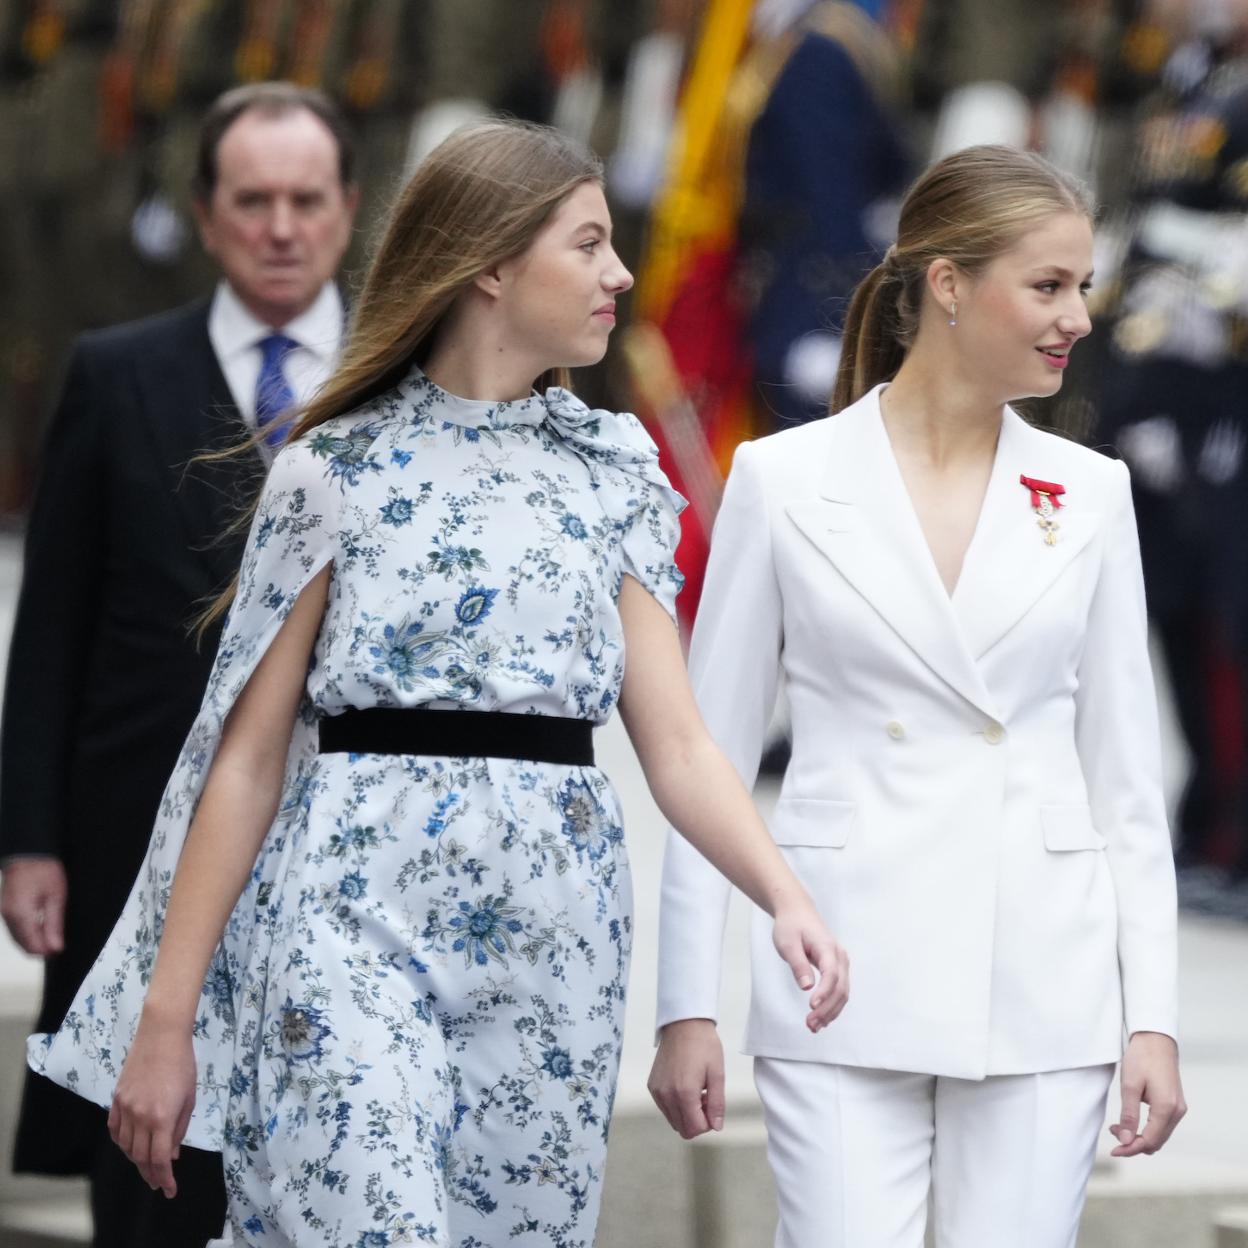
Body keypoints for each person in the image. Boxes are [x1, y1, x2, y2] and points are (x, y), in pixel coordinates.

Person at [25, 119, 848, 1248]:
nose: (619, 276)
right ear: (492, 266)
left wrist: (786, 896)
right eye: (590, 244)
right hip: (348, 918)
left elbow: (682, 747)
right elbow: (246, 755)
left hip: (555, 936)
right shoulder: (335, 470)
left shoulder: (614, 474)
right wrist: (165, 1022)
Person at [650, 144, 1186, 1248]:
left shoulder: (1090, 494)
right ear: (946, 283)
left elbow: (1128, 785)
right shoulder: (782, 480)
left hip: (1044, 976)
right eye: (1047, 285)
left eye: (1081, 285)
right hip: (840, 967)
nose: (1077, 316)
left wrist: (1155, 1021)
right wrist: (686, 1005)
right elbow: (706, 755)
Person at [0, 81, 358, 1247]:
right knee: (144, 1164)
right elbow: (54, 619)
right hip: (129, 835)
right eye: (252, 200)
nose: (281, 226)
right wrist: (29, 837)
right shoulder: (115, 373)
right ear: (205, 215)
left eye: (307, 199)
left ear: (350, 210)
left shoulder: (404, 382)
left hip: (337, 840)